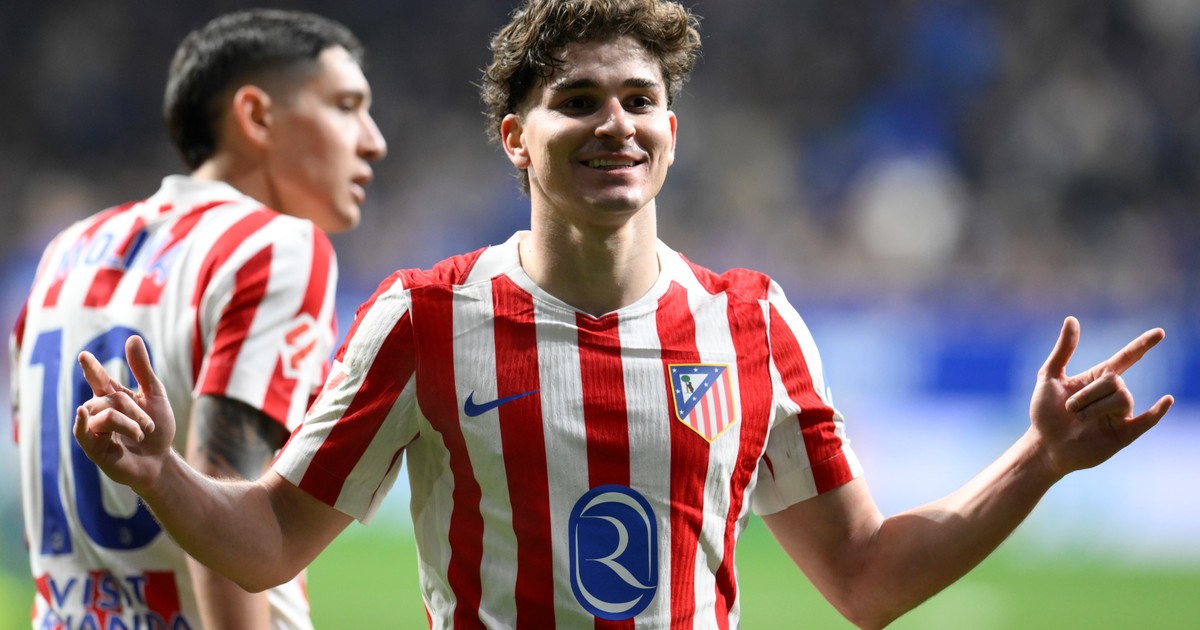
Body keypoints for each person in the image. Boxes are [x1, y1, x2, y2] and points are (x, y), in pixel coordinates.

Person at [72, 0, 1172, 628]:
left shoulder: (753, 324)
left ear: (672, 136)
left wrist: (1038, 459)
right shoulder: (423, 318)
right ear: (517, 138)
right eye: (579, 101)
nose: (618, 125)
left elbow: (868, 576)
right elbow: (269, 541)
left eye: (641, 101)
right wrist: (163, 471)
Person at [11, 8, 386, 629]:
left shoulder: (62, 252)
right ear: (256, 115)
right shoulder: (274, 246)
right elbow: (227, 513)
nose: (373, 140)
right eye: (346, 106)